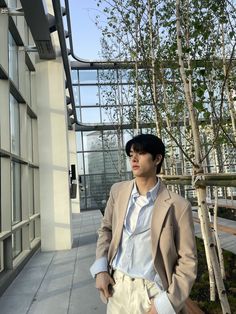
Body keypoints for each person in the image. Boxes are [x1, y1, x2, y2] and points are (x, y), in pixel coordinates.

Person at [90, 134, 197, 314]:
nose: (134, 158)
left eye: (141, 152)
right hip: (117, 288)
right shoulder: (118, 191)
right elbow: (106, 230)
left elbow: (188, 260)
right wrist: (101, 270)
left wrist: (166, 303)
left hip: (151, 293)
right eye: (131, 153)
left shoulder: (178, 206)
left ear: (157, 159)